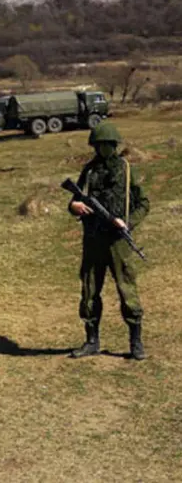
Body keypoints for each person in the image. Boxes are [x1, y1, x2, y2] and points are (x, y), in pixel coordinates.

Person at [67, 122, 150, 360]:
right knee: (90, 290)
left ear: (114, 145)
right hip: (93, 241)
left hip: (118, 243)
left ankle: (135, 341)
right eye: (100, 145)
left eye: (108, 145)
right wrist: (74, 206)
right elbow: (74, 200)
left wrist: (128, 222)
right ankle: (91, 340)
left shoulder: (126, 170)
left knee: (127, 290)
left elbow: (143, 203)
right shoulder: (89, 171)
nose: (104, 149)